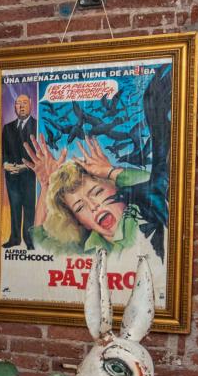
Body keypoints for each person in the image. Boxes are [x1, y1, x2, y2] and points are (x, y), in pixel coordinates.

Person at [23, 133, 167, 311]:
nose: (93, 207)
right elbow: (39, 240)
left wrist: (110, 171)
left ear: (117, 188)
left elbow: (158, 188)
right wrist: (46, 186)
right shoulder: (87, 248)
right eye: (79, 207)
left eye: (97, 192)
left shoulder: (149, 215)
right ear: (79, 222)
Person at [0, 91, 37, 249]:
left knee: (29, 208)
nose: (21, 106)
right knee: (14, 208)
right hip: (12, 177)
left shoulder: (37, 126)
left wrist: (25, 166)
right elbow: (2, 152)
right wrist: (5, 164)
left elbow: (40, 153)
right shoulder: (7, 128)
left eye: (24, 103)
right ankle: (14, 239)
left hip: (30, 177)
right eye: (18, 103)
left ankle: (29, 241)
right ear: (14, 106)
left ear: (31, 105)